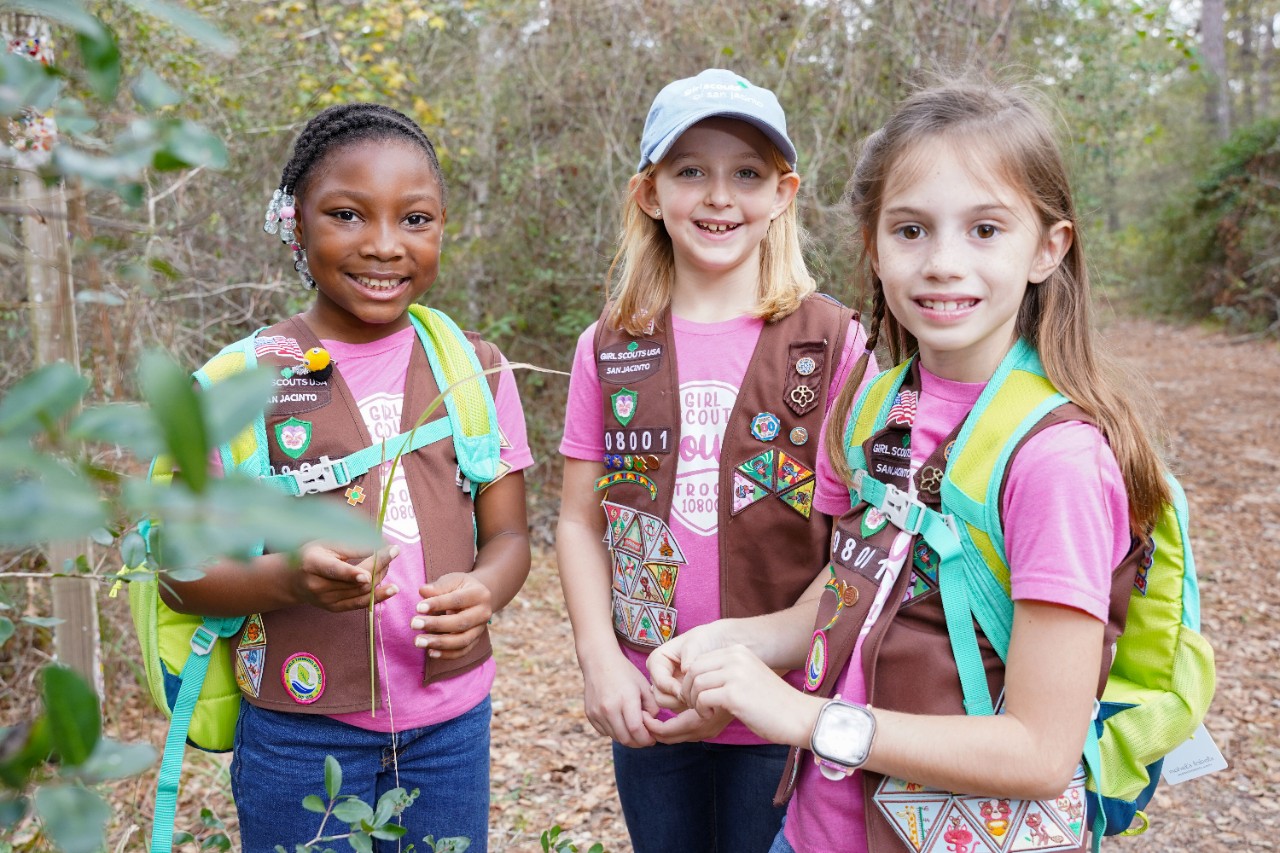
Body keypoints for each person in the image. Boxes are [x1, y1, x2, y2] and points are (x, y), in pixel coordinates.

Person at [647, 79, 1173, 852]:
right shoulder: (872, 403)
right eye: (912, 229)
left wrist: (807, 719)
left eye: (986, 228)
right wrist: (726, 644)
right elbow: (844, 593)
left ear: (1048, 247)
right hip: (813, 830)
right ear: (874, 244)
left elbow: (1039, 750)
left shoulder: (1056, 460)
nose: (943, 262)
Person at [159, 103, 532, 853]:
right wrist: (288, 578)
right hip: (298, 734)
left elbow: (511, 535)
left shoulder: (475, 371)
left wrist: (486, 589)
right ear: (295, 224)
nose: (385, 245)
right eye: (348, 215)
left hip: (450, 725)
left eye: (416, 219)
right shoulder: (237, 385)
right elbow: (179, 574)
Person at [555, 68, 877, 853]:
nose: (719, 196)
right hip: (650, 701)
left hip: (785, 707)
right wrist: (602, 660)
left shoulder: (833, 344)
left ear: (783, 194)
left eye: (747, 174)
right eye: (691, 170)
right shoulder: (611, 346)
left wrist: (770, 657)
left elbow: (862, 549)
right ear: (650, 193)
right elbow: (575, 520)